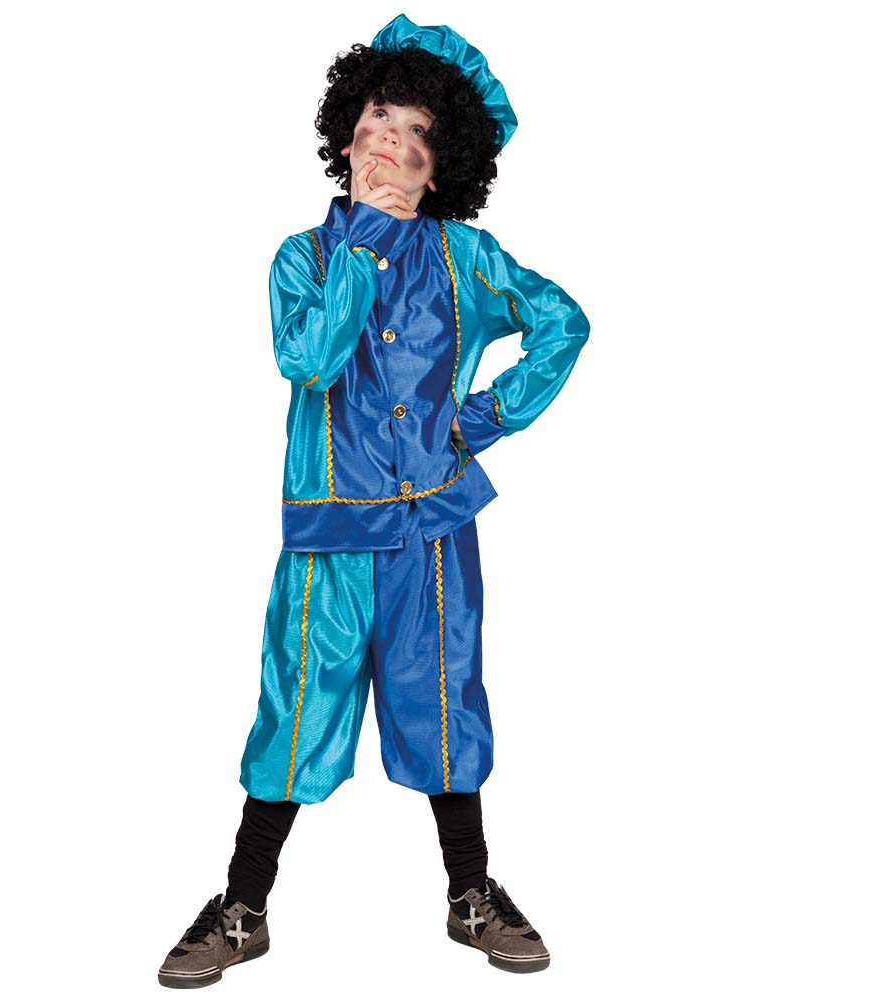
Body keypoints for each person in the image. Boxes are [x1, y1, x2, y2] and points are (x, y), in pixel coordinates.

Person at [157, 13, 590, 988]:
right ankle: (242, 907)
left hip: (432, 527)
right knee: (294, 712)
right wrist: (364, 245)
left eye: (420, 131)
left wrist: (483, 418)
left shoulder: (468, 257)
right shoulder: (303, 258)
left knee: (445, 704)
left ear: (441, 168)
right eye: (381, 115)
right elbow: (309, 359)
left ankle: (470, 894)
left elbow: (564, 322)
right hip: (328, 533)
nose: (393, 136)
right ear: (348, 134)